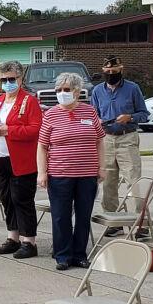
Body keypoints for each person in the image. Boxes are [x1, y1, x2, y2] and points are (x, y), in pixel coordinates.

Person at [37, 71, 103, 271]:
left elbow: (100, 140)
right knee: (60, 216)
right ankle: (62, 255)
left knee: (84, 215)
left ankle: (79, 254)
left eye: (66, 89)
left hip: (87, 174)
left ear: (77, 91)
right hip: (59, 173)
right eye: (59, 90)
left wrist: (102, 166)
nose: (62, 93)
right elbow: (42, 146)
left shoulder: (89, 112)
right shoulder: (50, 114)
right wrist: (42, 172)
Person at [0, 60, 42, 259]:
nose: (8, 83)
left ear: (20, 78)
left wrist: (10, 130)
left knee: (22, 199)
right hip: (0, 157)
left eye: (12, 79)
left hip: (21, 159)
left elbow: (35, 129)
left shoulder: (29, 101)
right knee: (6, 198)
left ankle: (29, 241)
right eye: (4, 79)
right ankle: (13, 237)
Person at [89, 54, 148, 226]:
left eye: (114, 71)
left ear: (121, 70)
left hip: (127, 137)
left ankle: (141, 223)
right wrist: (97, 121)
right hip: (106, 139)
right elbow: (93, 114)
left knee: (134, 180)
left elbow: (144, 114)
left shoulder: (132, 88)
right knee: (108, 182)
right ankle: (113, 222)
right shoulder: (98, 91)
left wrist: (129, 117)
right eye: (107, 71)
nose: (110, 74)